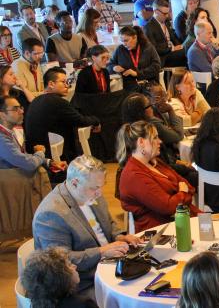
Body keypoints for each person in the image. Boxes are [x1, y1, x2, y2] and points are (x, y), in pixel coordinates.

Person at [33, 155, 141, 295]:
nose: (100, 193)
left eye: (101, 186)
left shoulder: (90, 192)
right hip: (82, 282)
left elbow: (109, 223)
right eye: (95, 188)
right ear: (75, 182)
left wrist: (119, 236)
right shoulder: (51, 214)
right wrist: (102, 252)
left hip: (111, 264)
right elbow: (62, 261)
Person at [117, 120, 200, 232]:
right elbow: (169, 207)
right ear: (141, 142)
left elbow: (188, 186)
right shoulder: (134, 175)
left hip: (182, 219)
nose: (160, 141)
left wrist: (180, 195)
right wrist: (183, 193)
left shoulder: (154, 162)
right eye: (155, 137)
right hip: (163, 230)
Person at [24, 67, 101, 162]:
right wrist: (96, 121)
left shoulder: (36, 100)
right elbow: (81, 121)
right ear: (51, 84)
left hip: (34, 152)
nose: (67, 86)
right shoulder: (57, 101)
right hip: (51, 155)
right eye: (63, 82)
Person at [20, 247, 99, 307]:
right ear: (60, 278)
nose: (75, 266)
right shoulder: (83, 303)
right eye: (69, 265)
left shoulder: (35, 303)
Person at [0, 96, 62, 173]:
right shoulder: (1, 139)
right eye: (15, 109)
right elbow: (30, 164)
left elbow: (24, 156)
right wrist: (40, 152)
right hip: (13, 182)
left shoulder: (10, 132)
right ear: (2, 115)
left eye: (21, 108)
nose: (22, 111)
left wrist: (49, 162)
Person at [109, 26, 162, 92]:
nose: (124, 44)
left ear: (135, 37)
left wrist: (137, 73)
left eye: (126, 40)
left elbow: (157, 66)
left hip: (148, 83)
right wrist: (114, 67)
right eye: (122, 41)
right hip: (128, 86)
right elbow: (109, 65)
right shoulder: (120, 49)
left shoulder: (147, 47)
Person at [143, 0, 185, 67]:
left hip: (172, 53)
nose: (167, 16)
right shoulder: (148, 27)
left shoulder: (166, 22)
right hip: (163, 58)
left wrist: (180, 46)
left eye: (168, 13)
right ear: (156, 11)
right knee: (186, 53)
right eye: (164, 14)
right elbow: (154, 49)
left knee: (190, 50)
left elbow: (174, 38)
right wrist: (172, 49)